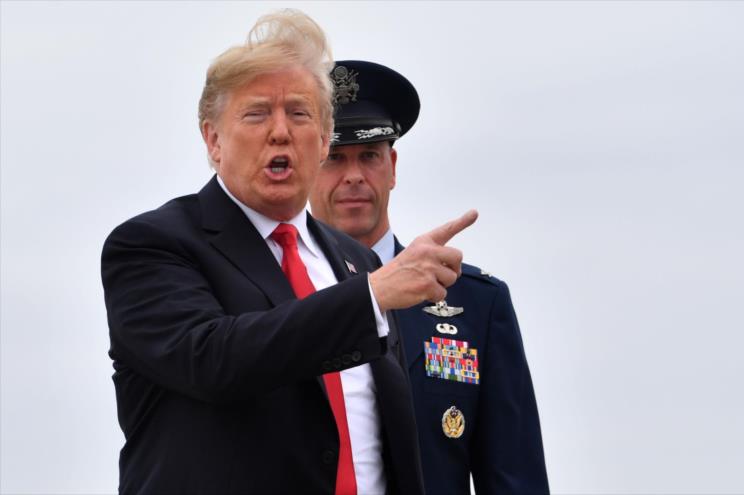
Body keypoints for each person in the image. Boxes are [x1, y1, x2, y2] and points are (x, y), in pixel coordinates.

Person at [101, 12, 477, 494]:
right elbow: (214, 360)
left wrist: (369, 289)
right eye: (257, 113)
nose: (280, 132)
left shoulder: (355, 262)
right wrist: (370, 296)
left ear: (322, 141)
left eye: (299, 114)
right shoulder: (151, 245)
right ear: (213, 139)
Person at [309, 60, 550, 495]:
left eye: (369, 156)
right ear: (307, 166)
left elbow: (515, 476)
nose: (354, 177)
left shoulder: (476, 303)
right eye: (333, 159)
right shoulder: (273, 296)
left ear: (393, 166)